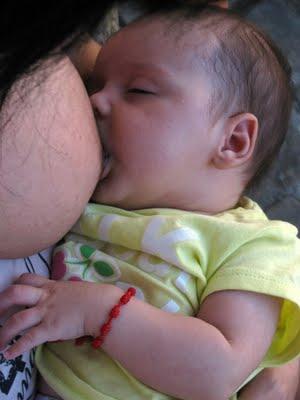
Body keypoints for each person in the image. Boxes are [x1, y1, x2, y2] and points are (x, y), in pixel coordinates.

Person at [0, 1, 299, 399]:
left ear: (233, 140)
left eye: (139, 90)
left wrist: (100, 312)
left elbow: (219, 369)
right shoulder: (97, 202)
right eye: (95, 85)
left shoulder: (255, 246)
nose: (95, 102)